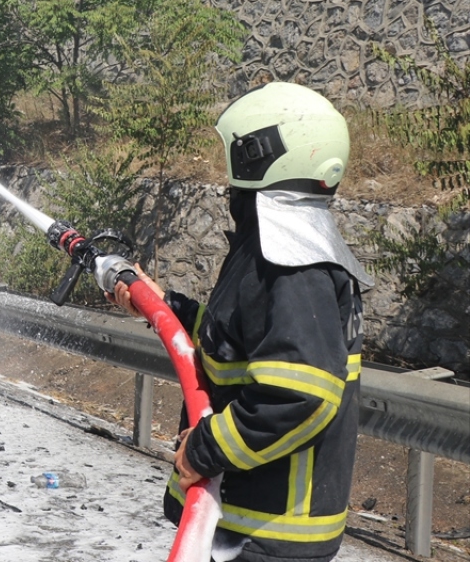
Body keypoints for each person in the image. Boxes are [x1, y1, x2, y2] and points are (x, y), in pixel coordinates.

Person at [109, 82, 369, 562]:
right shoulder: (282, 242)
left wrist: (204, 450)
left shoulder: (293, 264)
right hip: (246, 523)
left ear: (259, 154)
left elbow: (300, 392)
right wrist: (167, 306)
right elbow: (242, 342)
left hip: (264, 535)